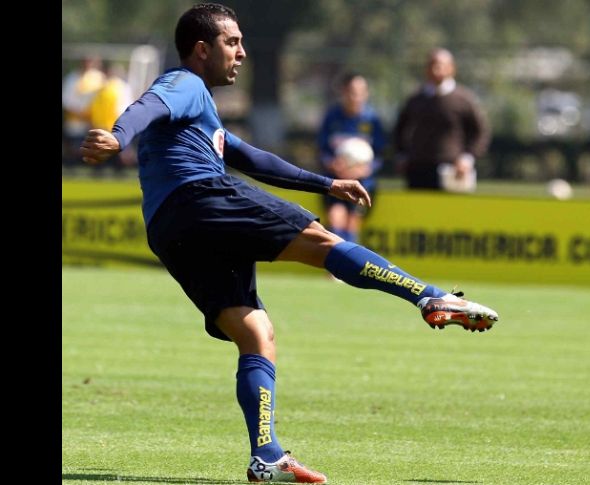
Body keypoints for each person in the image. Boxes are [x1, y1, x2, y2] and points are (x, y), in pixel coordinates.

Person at [81, 4, 498, 484]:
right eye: (232, 42)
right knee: (323, 241)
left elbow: (252, 158)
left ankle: (267, 456)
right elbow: (147, 104)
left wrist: (327, 183)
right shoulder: (186, 83)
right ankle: (426, 295)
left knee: (257, 335)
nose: (241, 52)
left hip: (170, 230)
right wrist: (116, 137)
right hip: (201, 199)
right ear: (202, 49)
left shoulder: (201, 112)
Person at [393, 48, 491, 190]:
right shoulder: (416, 99)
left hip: (452, 170)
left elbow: (480, 131)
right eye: (432, 64)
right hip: (418, 169)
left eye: (441, 65)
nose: (436, 69)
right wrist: (401, 155)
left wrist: (467, 158)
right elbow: (400, 128)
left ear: (452, 68)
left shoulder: (463, 99)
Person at [317, 73, 385, 244]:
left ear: (366, 93)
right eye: (350, 91)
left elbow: (381, 155)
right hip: (336, 182)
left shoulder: (372, 120)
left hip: (363, 183)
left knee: (352, 223)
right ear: (343, 92)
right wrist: (332, 164)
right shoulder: (332, 117)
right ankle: (333, 267)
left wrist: (365, 169)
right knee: (335, 219)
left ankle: (346, 266)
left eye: (358, 91)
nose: (354, 96)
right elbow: (322, 150)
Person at [62, 56, 106, 166]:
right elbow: (66, 100)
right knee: (74, 146)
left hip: (95, 120)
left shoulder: (99, 77)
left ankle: (96, 169)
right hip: (76, 119)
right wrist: (79, 113)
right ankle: (71, 168)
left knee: (95, 145)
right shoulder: (72, 78)